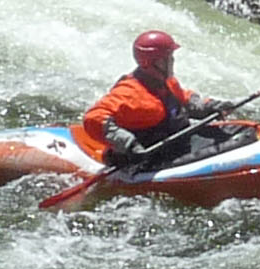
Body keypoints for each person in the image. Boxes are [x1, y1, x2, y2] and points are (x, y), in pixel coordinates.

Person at [78, 31, 238, 171]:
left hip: (175, 144)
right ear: (149, 63)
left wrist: (210, 106)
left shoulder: (166, 82)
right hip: (146, 157)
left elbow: (184, 99)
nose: (172, 62)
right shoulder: (130, 93)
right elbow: (93, 117)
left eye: (171, 57)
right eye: (166, 59)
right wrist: (128, 144)